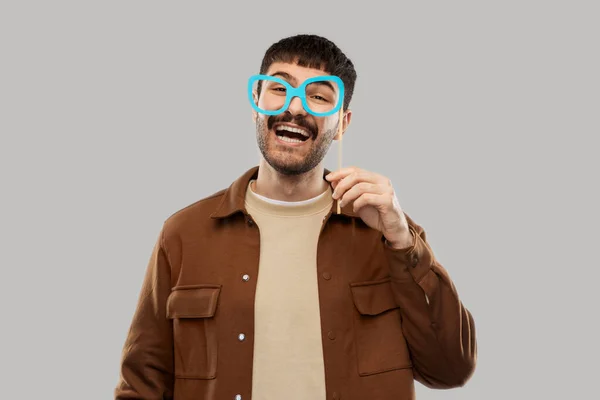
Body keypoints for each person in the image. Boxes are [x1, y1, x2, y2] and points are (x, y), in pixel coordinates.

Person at [114, 33, 477, 400]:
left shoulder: (387, 233)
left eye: (318, 96)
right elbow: (142, 386)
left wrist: (402, 241)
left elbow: (451, 369)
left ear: (343, 124)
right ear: (256, 102)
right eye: (279, 89)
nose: (296, 107)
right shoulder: (183, 234)